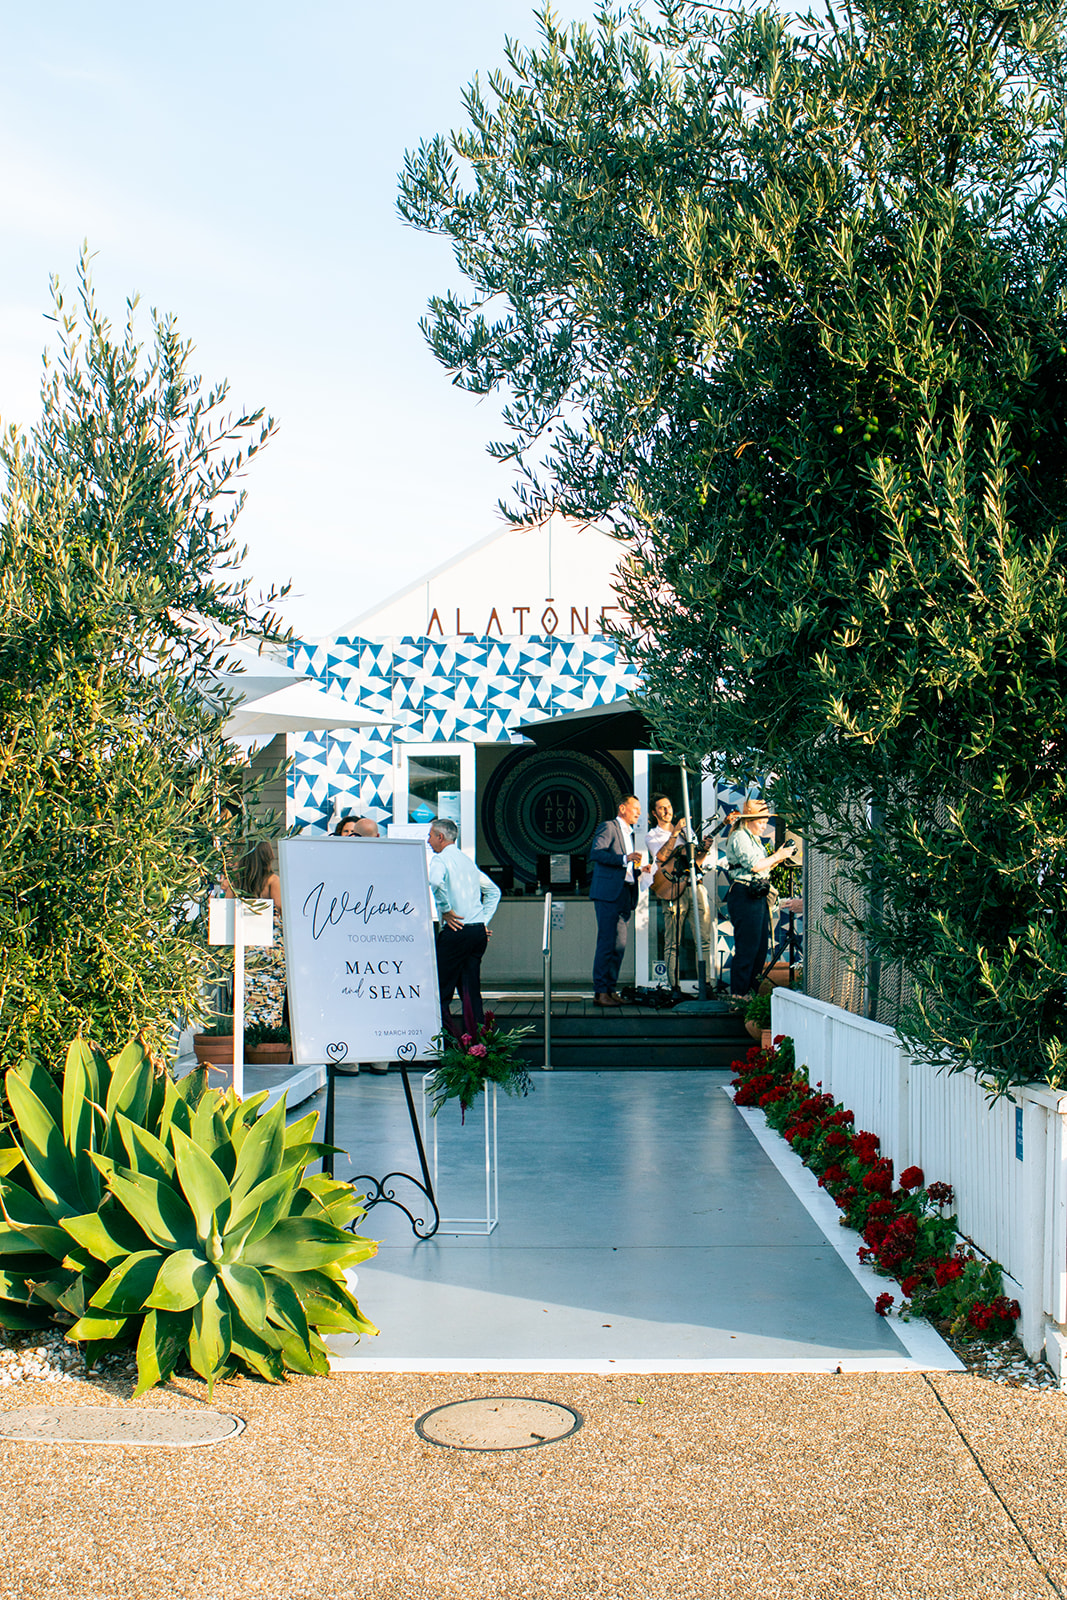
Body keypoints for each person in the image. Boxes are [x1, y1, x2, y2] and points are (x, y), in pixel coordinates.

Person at [427, 817, 501, 1037]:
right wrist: (482, 920)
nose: (428, 840)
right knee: (470, 993)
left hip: (456, 930)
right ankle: (479, 1043)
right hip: (476, 932)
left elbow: (435, 882)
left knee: (441, 992)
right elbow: (493, 891)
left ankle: (445, 1042)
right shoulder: (467, 861)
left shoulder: (440, 860)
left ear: (440, 837)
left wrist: (445, 909)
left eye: (430, 835)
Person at [724, 799, 798, 1000]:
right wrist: (777, 855)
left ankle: (751, 994)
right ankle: (738, 995)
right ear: (749, 820)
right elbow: (755, 866)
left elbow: (762, 868)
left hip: (757, 894)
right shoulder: (740, 836)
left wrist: (779, 857)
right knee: (747, 947)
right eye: (762, 820)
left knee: (759, 949)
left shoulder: (753, 838)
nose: (765, 825)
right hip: (744, 893)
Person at [646, 794, 714, 992]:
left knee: (703, 938)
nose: (667, 811)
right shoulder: (652, 835)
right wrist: (674, 833)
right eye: (661, 808)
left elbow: (695, 863)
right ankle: (674, 987)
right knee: (672, 941)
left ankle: (705, 984)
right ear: (654, 813)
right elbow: (661, 857)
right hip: (673, 889)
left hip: (695, 885)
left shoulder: (687, 831)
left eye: (669, 807)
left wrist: (704, 850)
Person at [588, 794, 644, 1007]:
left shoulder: (629, 834)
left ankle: (610, 990)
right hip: (608, 894)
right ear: (623, 808)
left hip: (624, 892)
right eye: (635, 808)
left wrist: (637, 870)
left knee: (619, 945)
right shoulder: (609, 827)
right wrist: (624, 859)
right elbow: (597, 853)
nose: (638, 812)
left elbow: (625, 866)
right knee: (606, 942)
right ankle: (600, 992)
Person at [233, 841, 286, 1030]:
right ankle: (269, 1033)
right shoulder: (272, 881)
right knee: (272, 997)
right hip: (271, 948)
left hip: (246, 945)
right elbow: (281, 908)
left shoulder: (237, 881)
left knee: (247, 995)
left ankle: (247, 1034)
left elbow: (229, 907)